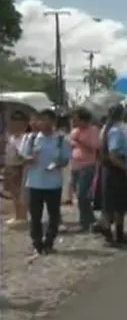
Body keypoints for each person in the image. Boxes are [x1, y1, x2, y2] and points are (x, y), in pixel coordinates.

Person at [18, 109, 72, 255]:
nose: (44, 123)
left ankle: (49, 242)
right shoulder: (31, 139)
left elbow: (66, 160)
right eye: (42, 119)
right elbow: (22, 159)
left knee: (54, 215)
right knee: (35, 216)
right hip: (35, 183)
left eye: (48, 120)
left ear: (53, 121)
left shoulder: (60, 140)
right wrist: (31, 158)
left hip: (53, 183)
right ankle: (37, 243)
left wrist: (58, 163)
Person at [97, 104, 127, 246]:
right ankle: (117, 234)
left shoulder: (104, 129)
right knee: (119, 204)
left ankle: (108, 231)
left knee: (109, 203)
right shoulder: (116, 131)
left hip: (107, 169)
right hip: (116, 169)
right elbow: (113, 155)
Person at [67, 108, 100, 232]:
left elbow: (94, 147)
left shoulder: (93, 130)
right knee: (79, 195)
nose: (74, 122)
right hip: (75, 165)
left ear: (83, 120)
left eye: (76, 120)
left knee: (82, 194)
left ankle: (84, 222)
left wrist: (79, 141)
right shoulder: (75, 131)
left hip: (87, 165)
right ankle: (90, 219)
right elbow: (71, 145)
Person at [4, 110, 30, 229]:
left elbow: (23, 155)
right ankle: (17, 215)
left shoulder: (25, 138)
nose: (15, 124)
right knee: (13, 193)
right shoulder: (10, 137)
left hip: (19, 167)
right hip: (10, 166)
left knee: (20, 194)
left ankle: (22, 217)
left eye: (19, 122)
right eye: (13, 121)